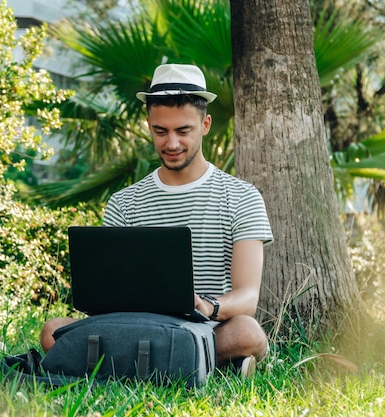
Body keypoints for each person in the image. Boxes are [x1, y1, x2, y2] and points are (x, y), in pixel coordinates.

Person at [40, 63, 274, 378]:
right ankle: (194, 364)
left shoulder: (241, 197)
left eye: (183, 131)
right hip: (135, 327)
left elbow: (248, 298)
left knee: (248, 332)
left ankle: (132, 364)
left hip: (205, 328)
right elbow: (106, 293)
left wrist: (206, 306)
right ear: (149, 124)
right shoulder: (124, 203)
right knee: (52, 331)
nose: (171, 144)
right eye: (160, 131)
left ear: (205, 125)